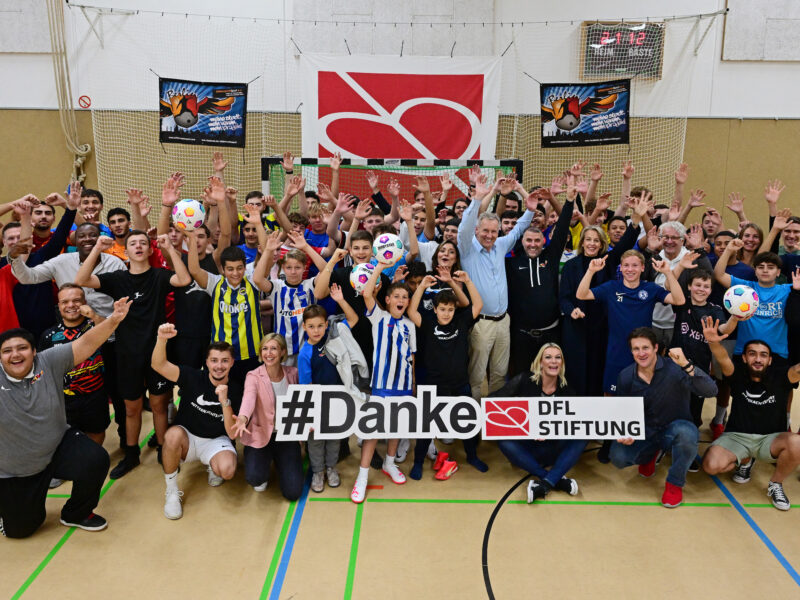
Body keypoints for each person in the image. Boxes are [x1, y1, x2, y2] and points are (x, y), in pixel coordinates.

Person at [0, 297, 130, 538]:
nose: (15, 355)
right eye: (7, 351)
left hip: (57, 446)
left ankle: (76, 514)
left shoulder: (48, 361)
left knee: (95, 458)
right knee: (21, 530)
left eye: (22, 348)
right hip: (17, 470)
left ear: (34, 351)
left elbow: (86, 343)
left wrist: (114, 319)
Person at [75, 231, 191, 478]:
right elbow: (81, 279)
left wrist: (169, 248)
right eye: (132, 244)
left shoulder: (159, 276)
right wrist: (97, 248)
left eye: (143, 243)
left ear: (150, 251)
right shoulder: (117, 279)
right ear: (125, 252)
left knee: (160, 404)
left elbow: (183, 279)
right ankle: (131, 454)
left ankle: (163, 449)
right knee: (131, 409)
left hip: (157, 353)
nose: (138, 247)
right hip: (127, 354)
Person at [11, 222, 128, 441]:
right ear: (74, 240)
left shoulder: (115, 263)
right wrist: (15, 258)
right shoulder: (61, 261)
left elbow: (123, 299)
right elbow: (28, 277)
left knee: (116, 392)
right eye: (82, 236)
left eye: (93, 235)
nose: (87, 239)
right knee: (73, 389)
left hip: (107, 337)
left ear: (100, 238)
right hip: (70, 338)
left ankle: (124, 440)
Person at [609, 328, 717, 508]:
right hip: (646, 431)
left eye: (645, 348)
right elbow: (623, 412)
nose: (641, 353)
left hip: (675, 428)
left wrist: (687, 365)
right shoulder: (626, 377)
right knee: (618, 456)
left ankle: (674, 484)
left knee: (686, 434)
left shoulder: (675, 368)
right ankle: (650, 454)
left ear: (656, 348)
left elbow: (711, 390)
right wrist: (626, 433)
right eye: (636, 349)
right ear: (631, 351)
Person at [701, 318, 800, 511]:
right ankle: (745, 460)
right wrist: (713, 342)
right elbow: (722, 357)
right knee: (710, 466)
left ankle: (775, 484)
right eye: (752, 354)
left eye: (763, 355)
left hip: (770, 440)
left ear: (770, 360)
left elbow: (797, 369)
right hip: (737, 437)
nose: (758, 359)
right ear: (745, 357)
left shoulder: (781, 376)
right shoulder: (737, 374)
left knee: (797, 443)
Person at [150, 324, 242, 520]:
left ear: (232, 362)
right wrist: (161, 339)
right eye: (214, 360)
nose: (219, 366)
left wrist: (225, 401)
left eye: (225, 361)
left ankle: (212, 464)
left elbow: (233, 433)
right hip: (188, 437)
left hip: (217, 440)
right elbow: (159, 365)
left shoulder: (237, 390)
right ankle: (172, 491)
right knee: (171, 435)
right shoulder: (192, 376)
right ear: (207, 362)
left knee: (227, 470)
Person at [457, 176, 536, 398]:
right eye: (485, 231)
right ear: (477, 230)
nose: (490, 236)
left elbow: (520, 228)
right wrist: (478, 199)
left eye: (494, 231)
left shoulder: (500, 245)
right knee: (476, 375)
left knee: (500, 375)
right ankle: (475, 425)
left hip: (503, 321)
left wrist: (528, 207)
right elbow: (464, 227)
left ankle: (495, 426)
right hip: (481, 324)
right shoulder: (467, 249)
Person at [346, 261, 416, 503]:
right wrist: (381, 267)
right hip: (382, 386)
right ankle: (362, 477)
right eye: (396, 295)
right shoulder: (379, 317)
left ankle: (389, 462)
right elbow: (367, 293)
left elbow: (412, 358)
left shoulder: (410, 326)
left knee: (397, 427)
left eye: (405, 297)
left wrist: (413, 388)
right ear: (387, 300)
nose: (401, 299)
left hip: (404, 387)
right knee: (373, 431)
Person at [407, 271, 484, 479]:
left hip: (460, 384)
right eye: (443, 309)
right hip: (433, 385)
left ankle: (472, 456)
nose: (447, 313)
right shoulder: (428, 323)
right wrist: (421, 286)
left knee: (467, 424)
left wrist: (466, 281)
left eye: (450, 309)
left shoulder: (461, 321)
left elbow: (477, 306)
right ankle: (418, 462)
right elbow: (412, 310)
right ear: (435, 309)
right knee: (425, 429)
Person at [577, 250, 685, 395]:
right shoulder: (611, 287)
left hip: (643, 353)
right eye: (626, 265)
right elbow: (581, 294)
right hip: (617, 352)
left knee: (643, 396)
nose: (630, 269)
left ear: (642, 268)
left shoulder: (651, 289)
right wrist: (590, 271)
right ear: (620, 268)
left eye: (635, 265)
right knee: (611, 394)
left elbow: (679, 300)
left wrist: (668, 273)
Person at [493, 343, 586, 502]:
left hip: (554, 448)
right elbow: (493, 402)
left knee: (583, 437)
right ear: (540, 362)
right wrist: (527, 428)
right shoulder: (524, 380)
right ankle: (555, 480)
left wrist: (552, 432)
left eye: (558, 358)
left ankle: (545, 484)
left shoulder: (567, 389)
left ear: (562, 363)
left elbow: (572, 425)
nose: (553, 361)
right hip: (527, 447)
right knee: (503, 440)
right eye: (548, 357)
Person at [506, 183, 574, 376]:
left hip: (550, 333)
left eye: (537, 241)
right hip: (521, 335)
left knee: (549, 376)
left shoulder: (550, 257)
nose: (533, 245)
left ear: (544, 241)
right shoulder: (511, 263)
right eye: (529, 241)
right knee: (521, 377)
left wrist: (568, 201)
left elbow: (561, 228)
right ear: (522, 241)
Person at [233, 334, 303, 500]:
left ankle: (281, 461)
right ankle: (265, 462)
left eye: (273, 348)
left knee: (293, 493)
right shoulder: (253, 376)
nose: (268, 353)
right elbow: (248, 399)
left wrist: (304, 429)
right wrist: (243, 418)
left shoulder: (293, 373)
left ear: (282, 352)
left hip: (286, 436)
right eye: (265, 348)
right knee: (255, 478)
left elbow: (302, 402)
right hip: (261, 434)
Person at [39, 284, 111, 447]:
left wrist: (93, 315)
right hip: (64, 400)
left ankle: (93, 462)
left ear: (85, 302)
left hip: (95, 395)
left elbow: (109, 331)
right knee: (67, 438)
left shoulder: (97, 327)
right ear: (58, 305)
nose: (70, 305)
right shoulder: (49, 336)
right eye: (65, 302)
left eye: (76, 300)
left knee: (97, 432)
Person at [297, 302, 348, 493]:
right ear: (304, 327)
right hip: (317, 404)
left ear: (326, 324)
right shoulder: (305, 354)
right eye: (311, 326)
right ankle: (318, 471)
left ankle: (331, 468)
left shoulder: (334, 342)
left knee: (334, 438)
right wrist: (311, 412)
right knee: (316, 439)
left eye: (320, 325)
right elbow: (306, 386)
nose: (316, 330)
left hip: (337, 400)